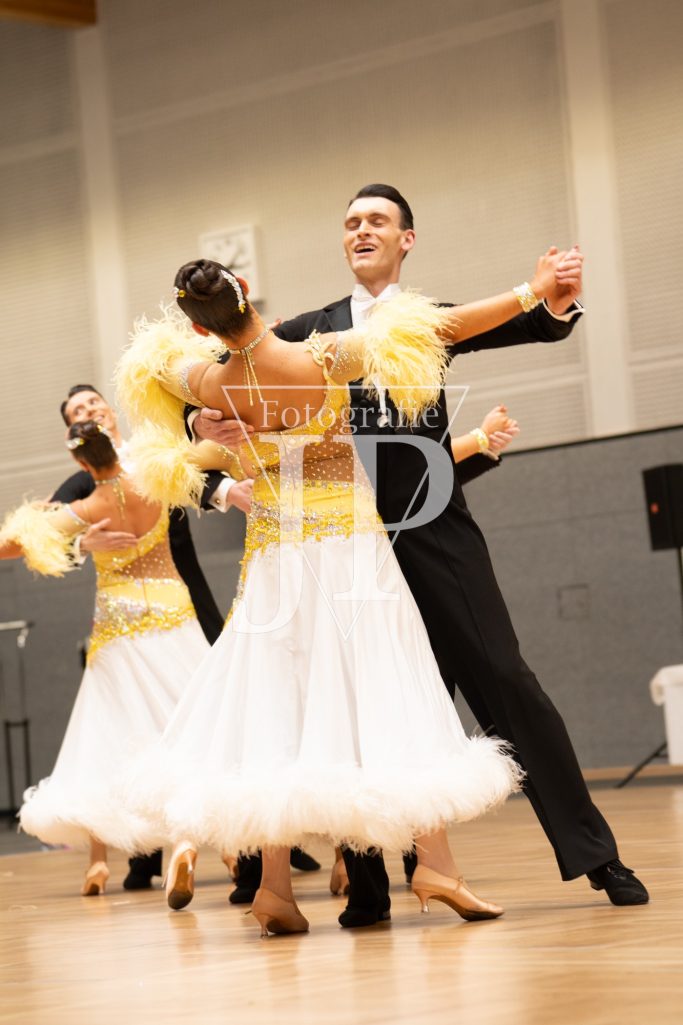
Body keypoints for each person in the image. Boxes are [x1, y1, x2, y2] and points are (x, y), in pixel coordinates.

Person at [192, 184, 649, 923]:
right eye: (350, 222)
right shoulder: (310, 329)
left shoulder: (426, 319)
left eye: (377, 220)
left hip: (432, 532)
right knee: (357, 703)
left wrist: (556, 301)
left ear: (407, 238)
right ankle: (370, 888)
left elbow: (525, 325)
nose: (361, 230)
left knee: (505, 678)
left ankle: (597, 855)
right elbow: (224, 379)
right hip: (343, 547)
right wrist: (203, 422)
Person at [111, 251, 571, 938]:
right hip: (351, 551)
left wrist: (199, 421)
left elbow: (153, 371)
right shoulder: (320, 357)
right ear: (248, 295)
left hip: (273, 559)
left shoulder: (208, 380)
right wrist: (529, 291)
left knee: (277, 705)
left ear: (199, 324)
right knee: (385, 689)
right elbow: (439, 330)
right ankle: (435, 864)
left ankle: (273, 887)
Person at [54, 388, 321, 892]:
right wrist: (81, 544)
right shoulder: (83, 479)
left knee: (208, 707)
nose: (89, 412)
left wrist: (226, 493)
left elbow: (197, 476)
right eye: (77, 412)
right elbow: (49, 529)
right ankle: (157, 856)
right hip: (147, 609)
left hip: (188, 595)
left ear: (110, 409)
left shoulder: (155, 449)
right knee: (159, 716)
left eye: (92, 403)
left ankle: (260, 843)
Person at [0, 420, 210, 896]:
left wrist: (39, 521)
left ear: (80, 462)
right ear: (114, 447)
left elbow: (11, 547)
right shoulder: (152, 482)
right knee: (193, 722)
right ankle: (201, 843)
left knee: (110, 737)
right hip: (174, 613)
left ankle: (98, 865)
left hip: (119, 626)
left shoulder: (85, 509)